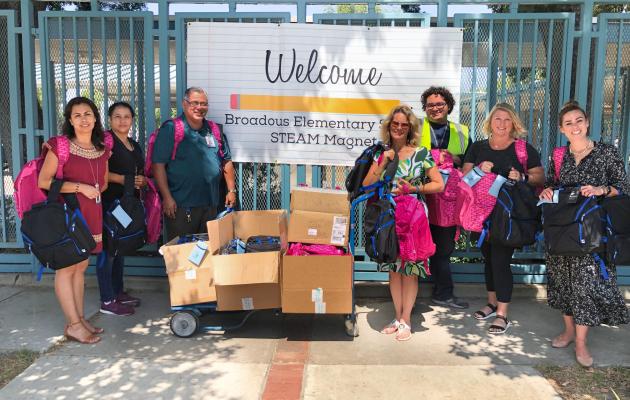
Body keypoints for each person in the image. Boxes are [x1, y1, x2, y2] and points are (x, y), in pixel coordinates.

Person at [539, 100, 629, 367]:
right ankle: (568, 331)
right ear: (561, 129)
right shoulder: (557, 155)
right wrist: (545, 191)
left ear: (587, 122)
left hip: (592, 230)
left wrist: (602, 190)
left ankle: (580, 342)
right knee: (564, 283)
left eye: (579, 121)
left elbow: (622, 186)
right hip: (561, 229)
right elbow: (550, 185)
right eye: (569, 123)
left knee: (586, 286)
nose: (575, 126)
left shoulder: (606, 153)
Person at [363, 105, 444, 341]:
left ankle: (406, 319)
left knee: (410, 270)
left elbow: (439, 184)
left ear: (410, 129)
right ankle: (396, 317)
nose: (399, 128)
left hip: (414, 218)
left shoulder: (421, 153)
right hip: (388, 218)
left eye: (404, 125)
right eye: (395, 124)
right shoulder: (382, 153)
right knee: (394, 269)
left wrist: (414, 188)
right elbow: (367, 184)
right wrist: (382, 163)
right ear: (389, 127)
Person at [463, 103, 544, 334]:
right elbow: (464, 178)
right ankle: (491, 302)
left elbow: (540, 177)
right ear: (490, 122)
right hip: (481, 214)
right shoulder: (478, 148)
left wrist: (522, 176)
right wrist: (479, 169)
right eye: (497, 119)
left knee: (500, 261)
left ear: (514, 123)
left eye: (507, 120)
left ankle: (502, 314)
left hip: (508, 216)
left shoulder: (523, 149)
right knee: (488, 259)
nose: (501, 124)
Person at [38, 97, 111, 344]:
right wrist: (80, 187)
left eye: (88, 114)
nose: (83, 119)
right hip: (67, 215)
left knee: (81, 266)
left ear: (95, 118)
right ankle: (73, 325)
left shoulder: (102, 148)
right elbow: (44, 182)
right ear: (70, 120)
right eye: (77, 115)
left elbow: (104, 182)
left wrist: (94, 188)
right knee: (66, 268)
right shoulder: (60, 146)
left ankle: (80, 318)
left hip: (92, 213)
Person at [152, 87, 237, 241]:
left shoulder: (214, 130)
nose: (200, 107)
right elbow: (158, 165)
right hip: (180, 207)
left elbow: (226, 161)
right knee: (180, 255)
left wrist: (231, 190)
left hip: (210, 206)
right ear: (184, 104)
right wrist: (167, 198)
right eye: (195, 103)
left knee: (206, 255)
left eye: (204, 104)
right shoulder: (171, 129)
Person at [419, 86, 473, 309]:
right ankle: (410, 294)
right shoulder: (416, 128)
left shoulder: (462, 131)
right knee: (416, 244)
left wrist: (453, 159)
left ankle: (443, 293)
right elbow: (406, 153)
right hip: (420, 196)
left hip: (449, 200)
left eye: (440, 104)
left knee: (443, 248)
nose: (435, 108)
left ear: (449, 106)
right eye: (430, 105)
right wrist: (434, 155)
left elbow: (470, 162)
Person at [96, 101, 146, 316]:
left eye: (127, 117)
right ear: (109, 119)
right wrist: (127, 180)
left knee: (120, 248)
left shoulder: (134, 145)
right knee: (108, 251)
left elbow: (140, 173)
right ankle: (107, 300)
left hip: (127, 207)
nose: (122, 121)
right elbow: (100, 175)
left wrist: (140, 181)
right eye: (117, 116)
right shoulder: (105, 142)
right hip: (109, 205)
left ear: (132, 120)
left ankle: (118, 292)